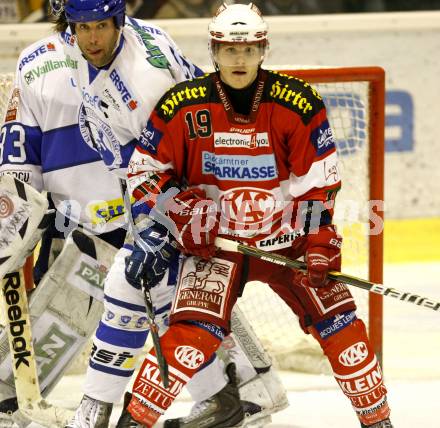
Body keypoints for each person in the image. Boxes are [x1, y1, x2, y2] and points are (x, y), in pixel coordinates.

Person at [125, 2, 394, 428]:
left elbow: (318, 184)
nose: (239, 59)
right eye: (230, 50)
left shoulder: (297, 103)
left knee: (344, 331)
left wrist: (319, 244)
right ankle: (132, 422)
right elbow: (143, 172)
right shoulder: (182, 105)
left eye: (249, 49)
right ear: (213, 51)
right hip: (218, 248)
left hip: (287, 243)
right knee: (186, 341)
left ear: (263, 49)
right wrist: (182, 213)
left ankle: (379, 422)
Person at [60, 0, 287, 427]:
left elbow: (177, 151)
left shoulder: (142, 79)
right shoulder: (95, 47)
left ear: (118, 23)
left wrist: (168, 212)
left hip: (194, 188)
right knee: (186, 296)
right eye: (82, 26)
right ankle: (250, 390)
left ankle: (97, 406)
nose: (91, 37)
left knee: (141, 282)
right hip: (170, 187)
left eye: (100, 27)